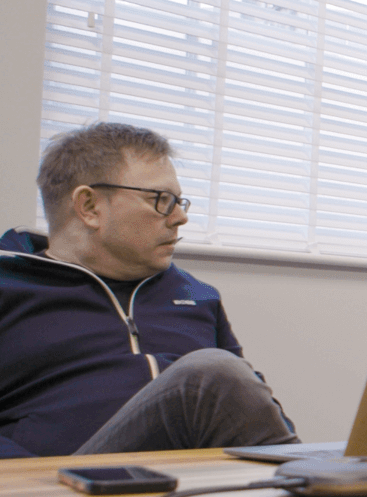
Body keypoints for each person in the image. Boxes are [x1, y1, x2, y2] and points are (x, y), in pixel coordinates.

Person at [0, 121, 299, 460]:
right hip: (64, 489)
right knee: (211, 375)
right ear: (89, 207)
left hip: (196, 488)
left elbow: (255, 412)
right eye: (161, 200)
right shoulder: (8, 285)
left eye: (179, 202)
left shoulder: (198, 296)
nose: (179, 218)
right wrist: (35, 488)